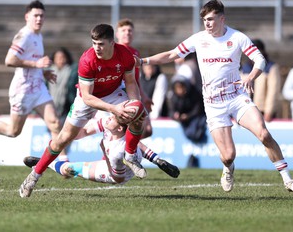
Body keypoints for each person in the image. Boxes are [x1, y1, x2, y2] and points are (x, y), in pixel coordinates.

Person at [138, 0, 293, 195]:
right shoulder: (198, 39)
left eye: (210, 19)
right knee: (228, 155)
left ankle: (288, 179)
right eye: (204, 20)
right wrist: (143, 60)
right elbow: (172, 54)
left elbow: (259, 60)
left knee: (264, 133)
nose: (207, 23)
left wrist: (251, 77)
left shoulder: (237, 37)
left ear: (222, 18)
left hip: (237, 97)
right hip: (213, 104)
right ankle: (228, 168)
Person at [19, 24, 147, 198]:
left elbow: (131, 83)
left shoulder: (125, 55)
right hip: (88, 98)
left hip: (113, 93)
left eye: (101, 44)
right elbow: (87, 97)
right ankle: (34, 176)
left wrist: (135, 104)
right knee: (62, 140)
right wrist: (113, 109)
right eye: (94, 43)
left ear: (112, 42)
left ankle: (130, 156)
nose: (97, 47)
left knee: (139, 114)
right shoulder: (87, 59)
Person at [0, 0, 64, 158]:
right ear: (27, 17)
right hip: (22, 91)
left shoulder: (38, 35)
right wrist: (37, 64)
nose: (39, 19)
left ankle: (62, 162)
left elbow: (31, 65)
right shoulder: (24, 36)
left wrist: (43, 73)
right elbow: (9, 60)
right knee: (13, 131)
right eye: (35, 15)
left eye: (42, 16)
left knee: (55, 123)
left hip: (38, 88)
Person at [23, 114, 180, 184]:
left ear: (119, 129)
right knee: (70, 169)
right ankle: (45, 162)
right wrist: (66, 137)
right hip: (111, 160)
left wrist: (104, 150)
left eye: (113, 118)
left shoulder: (118, 149)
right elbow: (85, 131)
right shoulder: (108, 123)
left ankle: (46, 164)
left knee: (68, 170)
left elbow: (117, 178)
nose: (109, 118)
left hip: (115, 173)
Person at [116, 18, 154, 138]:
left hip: (132, 93)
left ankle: (126, 153)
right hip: (117, 95)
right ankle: (112, 155)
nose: (127, 33)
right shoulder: (113, 50)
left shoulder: (135, 53)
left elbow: (135, 79)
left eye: (130, 30)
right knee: (120, 130)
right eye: (123, 30)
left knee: (147, 130)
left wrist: (144, 96)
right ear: (117, 34)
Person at [241, 39, 281, 122]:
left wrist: (269, 111)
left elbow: (273, 91)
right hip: (246, 109)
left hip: (262, 110)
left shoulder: (271, 67)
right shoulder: (245, 68)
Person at [168, 75, 207, 143]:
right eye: (177, 88)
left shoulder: (195, 93)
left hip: (196, 118)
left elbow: (198, 109)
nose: (180, 91)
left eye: (181, 87)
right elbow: (171, 111)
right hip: (184, 122)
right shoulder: (173, 97)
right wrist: (175, 115)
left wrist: (188, 116)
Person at [48, 47, 78, 123]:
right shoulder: (48, 73)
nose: (60, 60)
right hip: (51, 107)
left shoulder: (73, 72)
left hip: (67, 107)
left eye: (63, 57)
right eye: (58, 57)